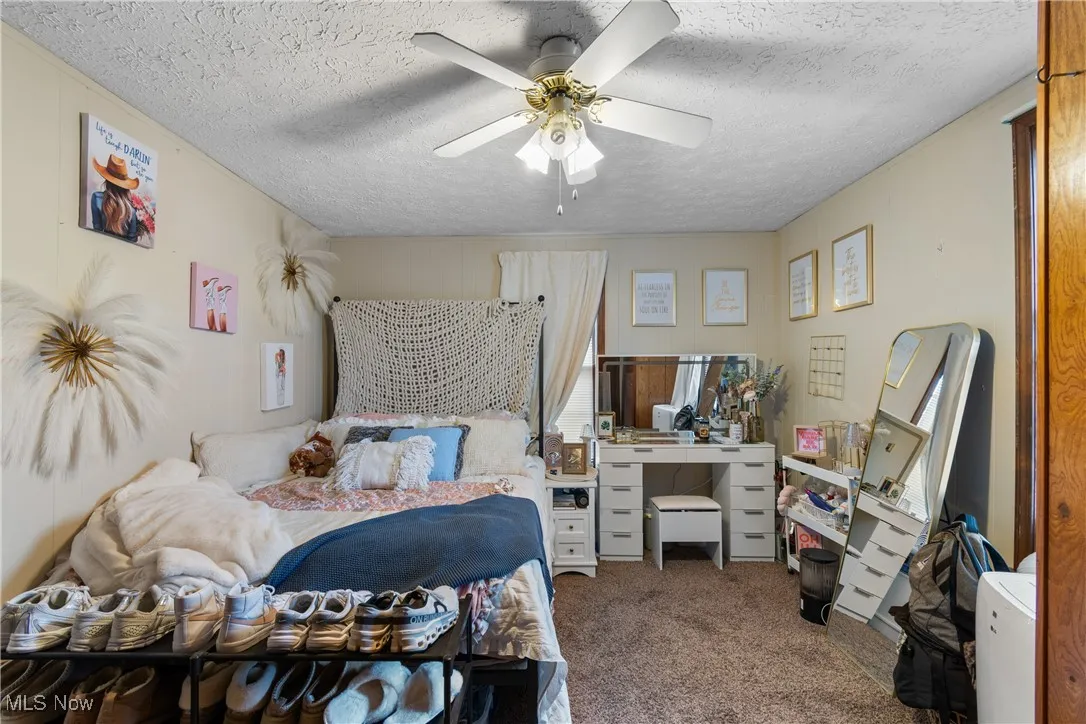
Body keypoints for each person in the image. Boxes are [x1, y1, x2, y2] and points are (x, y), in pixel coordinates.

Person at [90, 154, 140, 242]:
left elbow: (97, 230)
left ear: (107, 180)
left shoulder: (97, 198)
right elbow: (132, 239)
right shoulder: (131, 209)